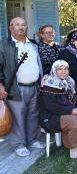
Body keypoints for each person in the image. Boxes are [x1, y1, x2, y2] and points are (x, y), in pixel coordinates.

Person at [0, 17, 45, 157]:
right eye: (17, 25)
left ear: (26, 28)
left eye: (23, 25)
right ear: (10, 27)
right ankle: (19, 144)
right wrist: (0, 86)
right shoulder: (4, 45)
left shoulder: (33, 44)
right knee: (18, 117)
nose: (20, 27)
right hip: (16, 88)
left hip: (34, 86)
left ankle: (31, 140)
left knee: (32, 115)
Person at [38, 60, 77, 160]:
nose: (63, 72)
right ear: (54, 70)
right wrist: (71, 112)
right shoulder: (48, 84)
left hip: (71, 111)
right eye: (60, 69)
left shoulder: (70, 81)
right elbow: (51, 106)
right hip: (53, 116)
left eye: (66, 69)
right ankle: (74, 152)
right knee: (75, 122)